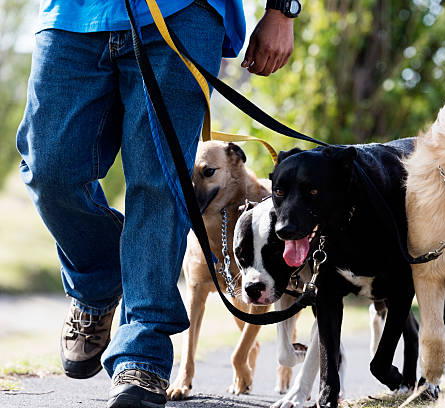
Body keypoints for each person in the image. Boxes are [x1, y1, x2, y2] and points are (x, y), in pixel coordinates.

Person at [16, 0, 300, 407]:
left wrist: (281, 9)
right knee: (49, 169)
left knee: (160, 186)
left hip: (184, 13)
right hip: (71, 13)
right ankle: (100, 276)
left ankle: (142, 353)